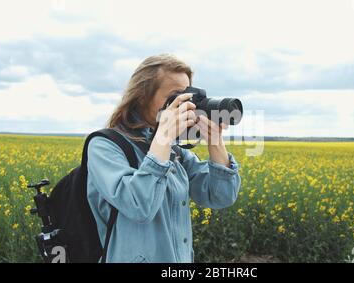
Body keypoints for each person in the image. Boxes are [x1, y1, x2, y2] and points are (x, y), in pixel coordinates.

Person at [86, 54, 241, 263]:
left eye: (188, 96)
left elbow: (219, 196)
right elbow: (139, 206)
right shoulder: (104, 146)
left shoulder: (175, 152)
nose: (186, 105)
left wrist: (216, 142)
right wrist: (164, 138)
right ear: (142, 97)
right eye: (176, 96)